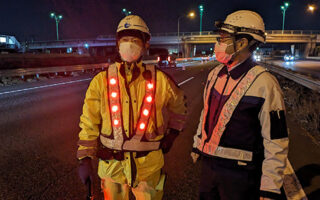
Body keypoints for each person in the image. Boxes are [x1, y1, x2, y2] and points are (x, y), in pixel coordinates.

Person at [76, 15, 187, 200]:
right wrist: (84, 159)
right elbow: (89, 122)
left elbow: (180, 108)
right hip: (112, 168)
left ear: (146, 44)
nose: (129, 44)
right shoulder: (100, 81)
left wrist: (173, 134)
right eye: (124, 40)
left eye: (135, 40)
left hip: (148, 168)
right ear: (117, 44)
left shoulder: (161, 79)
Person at [191, 10, 289, 200]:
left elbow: (276, 140)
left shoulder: (265, 83)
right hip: (209, 169)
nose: (218, 43)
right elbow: (206, 112)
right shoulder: (215, 74)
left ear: (242, 43)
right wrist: (197, 143)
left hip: (242, 177)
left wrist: (270, 187)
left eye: (224, 38)